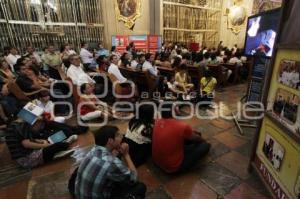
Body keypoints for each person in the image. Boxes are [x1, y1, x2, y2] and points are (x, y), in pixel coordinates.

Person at [75, 125, 146, 199]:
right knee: (140, 187)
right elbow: (134, 178)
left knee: (116, 180)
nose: (122, 136)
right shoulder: (112, 162)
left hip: (80, 195)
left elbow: (109, 163)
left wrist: (118, 153)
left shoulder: (92, 151)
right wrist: (126, 155)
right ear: (110, 141)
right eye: (118, 135)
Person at [152, 103, 210, 173]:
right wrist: (203, 141)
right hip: (172, 167)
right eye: (176, 109)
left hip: (157, 161)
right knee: (205, 146)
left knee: (191, 136)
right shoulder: (182, 126)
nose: (178, 109)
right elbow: (197, 139)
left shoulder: (157, 121)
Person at [5, 120, 77, 169]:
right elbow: (26, 143)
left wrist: (42, 141)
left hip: (38, 146)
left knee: (62, 134)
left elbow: (31, 139)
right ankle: (64, 145)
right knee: (60, 145)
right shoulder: (19, 126)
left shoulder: (20, 124)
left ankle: (61, 147)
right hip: (28, 158)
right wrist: (47, 145)